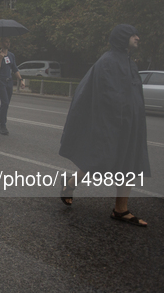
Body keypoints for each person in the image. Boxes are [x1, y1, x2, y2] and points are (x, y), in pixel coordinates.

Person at [59, 24, 150, 227]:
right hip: (112, 124)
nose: (138, 38)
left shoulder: (128, 62)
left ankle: (120, 210)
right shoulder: (107, 61)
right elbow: (105, 95)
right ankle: (70, 183)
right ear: (122, 38)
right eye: (133, 35)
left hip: (130, 124)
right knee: (99, 158)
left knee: (129, 163)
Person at [0, 38, 25, 135]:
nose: (8, 43)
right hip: (0, 81)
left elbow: (15, 68)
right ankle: (3, 125)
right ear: (1, 43)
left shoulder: (11, 55)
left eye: (9, 42)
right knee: (5, 103)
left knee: (5, 104)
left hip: (9, 81)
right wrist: (0, 58)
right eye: (6, 42)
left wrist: (21, 80)